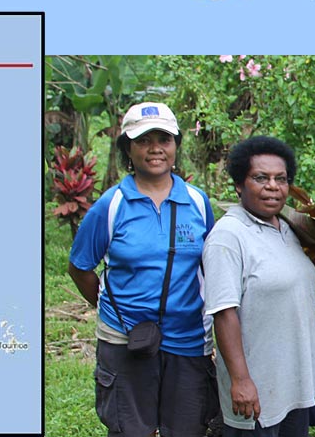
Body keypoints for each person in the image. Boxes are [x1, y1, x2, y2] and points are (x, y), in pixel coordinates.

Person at [68, 101, 216, 437]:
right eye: (143, 141)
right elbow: (80, 267)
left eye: (164, 140)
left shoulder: (196, 202)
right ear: (127, 149)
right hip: (125, 338)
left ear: (177, 145)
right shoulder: (111, 205)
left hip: (188, 338)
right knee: (130, 429)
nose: (155, 149)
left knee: (188, 427)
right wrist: (113, 308)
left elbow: (210, 265)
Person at [202, 135, 315, 436]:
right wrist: (241, 380)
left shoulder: (289, 228)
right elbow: (223, 312)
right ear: (239, 184)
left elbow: (300, 293)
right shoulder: (229, 237)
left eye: (281, 179)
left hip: (291, 381)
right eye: (260, 178)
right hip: (257, 388)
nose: (273, 186)